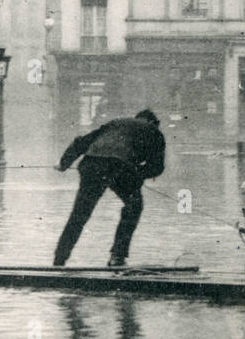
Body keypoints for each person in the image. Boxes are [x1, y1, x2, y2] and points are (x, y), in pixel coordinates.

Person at [53, 109, 166, 269]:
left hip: (91, 164)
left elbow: (80, 143)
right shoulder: (155, 132)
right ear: (154, 123)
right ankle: (117, 257)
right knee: (134, 206)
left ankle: (59, 260)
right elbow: (157, 167)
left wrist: (63, 164)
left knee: (79, 214)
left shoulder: (116, 123)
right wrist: (138, 175)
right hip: (120, 167)